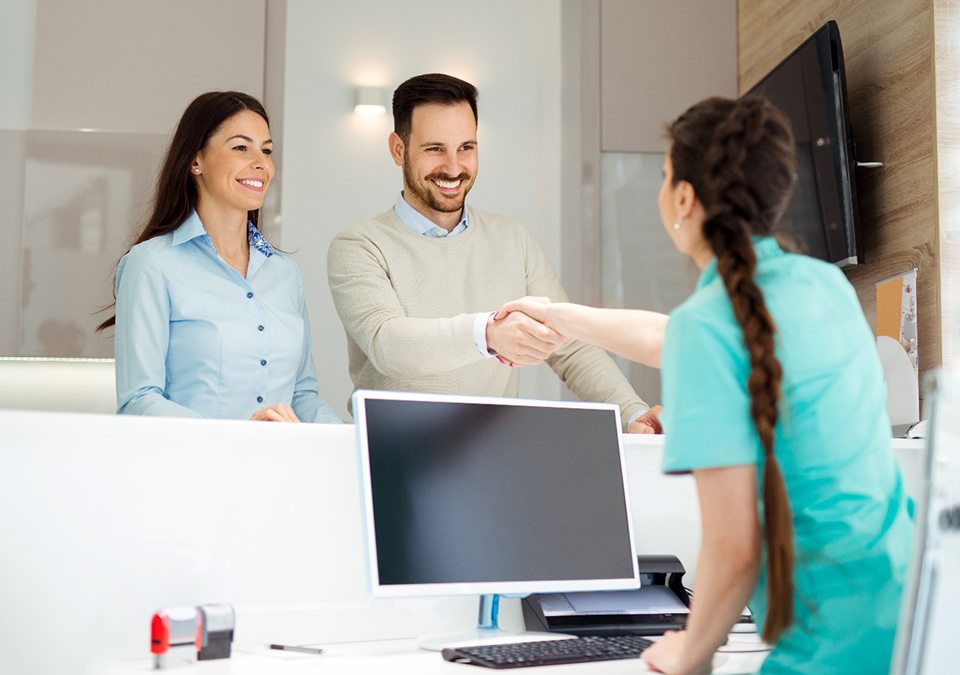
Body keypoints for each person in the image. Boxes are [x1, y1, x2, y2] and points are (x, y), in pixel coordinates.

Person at [498, 96, 913, 675]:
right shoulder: (824, 285)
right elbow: (673, 337)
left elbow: (734, 547)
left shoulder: (710, 324)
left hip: (829, 643)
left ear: (685, 199)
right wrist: (560, 314)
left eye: (666, 175)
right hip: (914, 612)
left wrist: (690, 652)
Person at [327, 73, 659, 432]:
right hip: (392, 455)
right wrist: (486, 333)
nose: (454, 168)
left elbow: (570, 347)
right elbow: (388, 344)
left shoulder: (513, 239)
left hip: (492, 454)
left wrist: (632, 412)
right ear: (398, 149)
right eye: (435, 149)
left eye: (466, 148)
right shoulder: (359, 245)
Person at [98, 91, 340, 424]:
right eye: (241, 147)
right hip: (193, 470)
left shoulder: (285, 273)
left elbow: (302, 396)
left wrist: (348, 442)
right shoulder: (151, 264)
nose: (261, 163)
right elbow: (139, 401)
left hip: (279, 469)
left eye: (266, 150)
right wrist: (236, 437)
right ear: (195, 160)